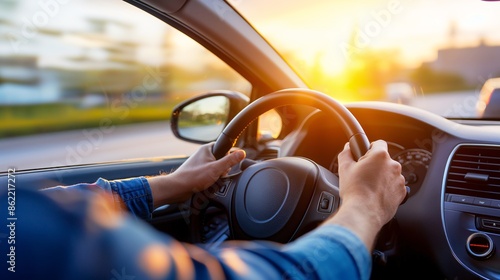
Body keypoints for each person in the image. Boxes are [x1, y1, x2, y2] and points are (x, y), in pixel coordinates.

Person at [0, 140, 405, 280]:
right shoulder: (39, 243)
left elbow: (62, 207)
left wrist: (172, 184)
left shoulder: (24, 225)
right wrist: (365, 206)